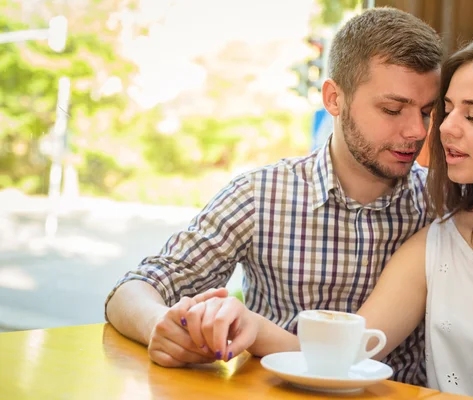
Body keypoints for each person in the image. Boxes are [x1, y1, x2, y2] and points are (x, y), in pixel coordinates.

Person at [184, 28, 473, 399]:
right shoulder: (436, 243)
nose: (440, 129)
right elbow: (347, 351)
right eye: (448, 110)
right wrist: (252, 326)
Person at [104, 7, 442, 385]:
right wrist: (157, 325)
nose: (416, 131)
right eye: (392, 109)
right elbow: (133, 288)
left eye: (427, 112)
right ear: (334, 98)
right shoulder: (260, 194)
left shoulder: (440, 204)